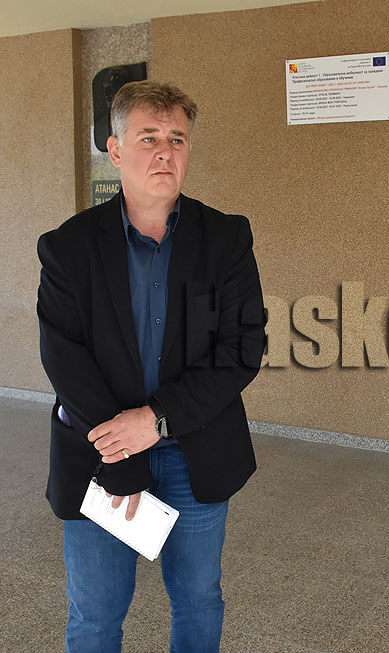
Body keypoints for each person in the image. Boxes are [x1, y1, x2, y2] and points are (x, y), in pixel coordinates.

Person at [37, 80, 265, 652]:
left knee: (198, 600)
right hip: (99, 454)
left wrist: (154, 420)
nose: (165, 152)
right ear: (115, 150)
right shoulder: (68, 247)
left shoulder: (226, 238)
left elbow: (242, 348)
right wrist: (122, 451)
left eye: (177, 139)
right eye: (148, 138)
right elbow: (64, 357)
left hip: (196, 452)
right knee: (95, 614)